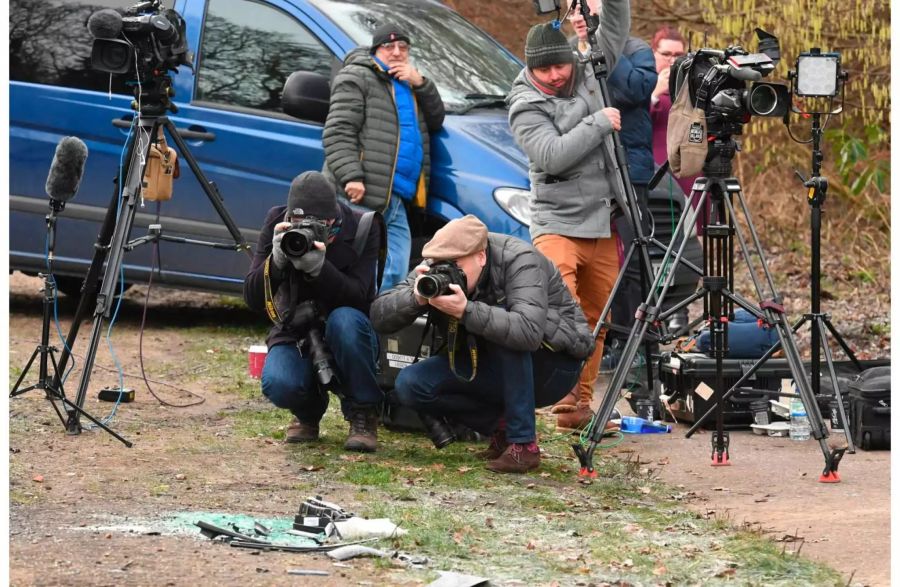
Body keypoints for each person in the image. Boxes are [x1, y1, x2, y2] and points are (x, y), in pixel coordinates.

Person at [369, 216, 594, 473]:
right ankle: (502, 428)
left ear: (481, 256)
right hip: (489, 363)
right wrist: (416, 297)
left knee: (504, 323)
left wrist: (465, 310)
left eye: (455, 264)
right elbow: (378, 315)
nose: (447, 271)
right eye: (440, 264)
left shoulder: (521, 260)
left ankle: (524, 445)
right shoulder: (434, 264)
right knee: (411, 385)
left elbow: (528, 332)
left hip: (553, 367)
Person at [506, 0, 630, 432]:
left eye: (561, 66)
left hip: (601, 221)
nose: (557, 76)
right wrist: (597, 122)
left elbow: (615, 27)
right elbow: (552, 156)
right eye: (547, 72)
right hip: (557, 223)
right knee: (563, 312)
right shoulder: (524, 105)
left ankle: (578, 406)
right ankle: (555, 393)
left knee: (599, 316)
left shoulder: (587, 67)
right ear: (532, 71)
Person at [243, 171, 384, 453]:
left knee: (345, 322)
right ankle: (307, 412)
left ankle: (363, 413)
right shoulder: (277, 222)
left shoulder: (363, 226)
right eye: (299, 222)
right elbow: (252, 297)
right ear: (290, 218)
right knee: (279, 383)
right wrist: (277, 262)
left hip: (345, 324)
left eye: (320, 224)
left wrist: (321, 269)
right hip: (295, 327)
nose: (306, 229)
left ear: (334, 217)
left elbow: (361, 296)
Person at [568, 0, 658, 372]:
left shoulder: (636, 49)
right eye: (573, 12)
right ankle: (610, 336)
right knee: (597, 255)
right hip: (589, 171)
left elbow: (635, 91)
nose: (578, 18)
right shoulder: (566, 58)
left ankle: (643, 339)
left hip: (629, 167)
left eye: (585, 10)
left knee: (634, 257)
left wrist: (603, 50)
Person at [322, 23, 445, 292]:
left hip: (397, 198)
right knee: (357, 269)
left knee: (395, 271)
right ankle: (346, 325)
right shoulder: (357, 76)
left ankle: (376, 327)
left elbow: (436, 119)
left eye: (403, 47)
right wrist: (351, 176)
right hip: (360, 193)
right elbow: (338, 130)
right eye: (389, 47)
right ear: (376, 50)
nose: (397, 52)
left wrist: (421, 84)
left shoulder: (410, 84)